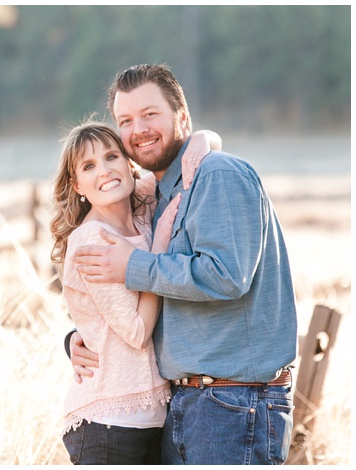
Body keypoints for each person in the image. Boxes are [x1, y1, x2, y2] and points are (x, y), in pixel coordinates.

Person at [67, 64, 298, 465]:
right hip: (184, 402)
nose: (139, 129)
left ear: (183, 117)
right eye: (126, 120)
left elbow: (226, 275)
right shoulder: (159, 194)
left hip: (234, 400)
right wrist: (77, 337)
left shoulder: (217, 175)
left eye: (150, 114)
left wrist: (136, 265)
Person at [51, 119, 220, 465]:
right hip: (108, 423)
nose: (105, 171)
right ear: (77, 185)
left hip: (154, 418)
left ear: (129, 164)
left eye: (112, 157)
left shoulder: (141, 204)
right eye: (89, 166)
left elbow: (190, 159)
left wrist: (205, 138)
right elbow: (136, 332)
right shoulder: (92, 241)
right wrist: (156, 252)